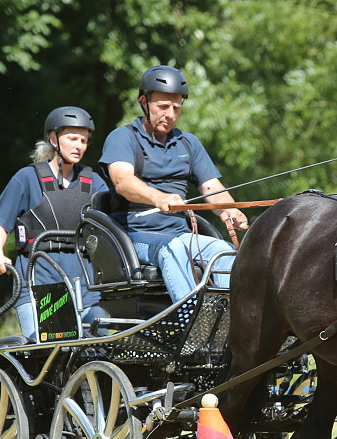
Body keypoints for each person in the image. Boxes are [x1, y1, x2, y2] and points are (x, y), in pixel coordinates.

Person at [99, 64, 248, 303]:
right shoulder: (123, 137)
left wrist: (230, 210)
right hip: (134, 236)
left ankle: (229, 317)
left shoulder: (187, 143)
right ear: (144, 103)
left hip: (180, 234)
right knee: (175, 248)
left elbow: (211, 187)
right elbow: (122, 181)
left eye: (176, 108)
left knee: (224, 253)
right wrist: (158, 197)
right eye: (163, 106)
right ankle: (192, 320)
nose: (170, 114)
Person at [0, 106, 107, 340]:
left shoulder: (94, 182)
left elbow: (113, 221)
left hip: (86, 288)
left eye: (83, 140)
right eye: (72, 138)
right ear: (53, 140)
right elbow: (0, 225)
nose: (79, 145)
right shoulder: (27, 178)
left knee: (101, 351)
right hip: (39, 283)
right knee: (52, 356)